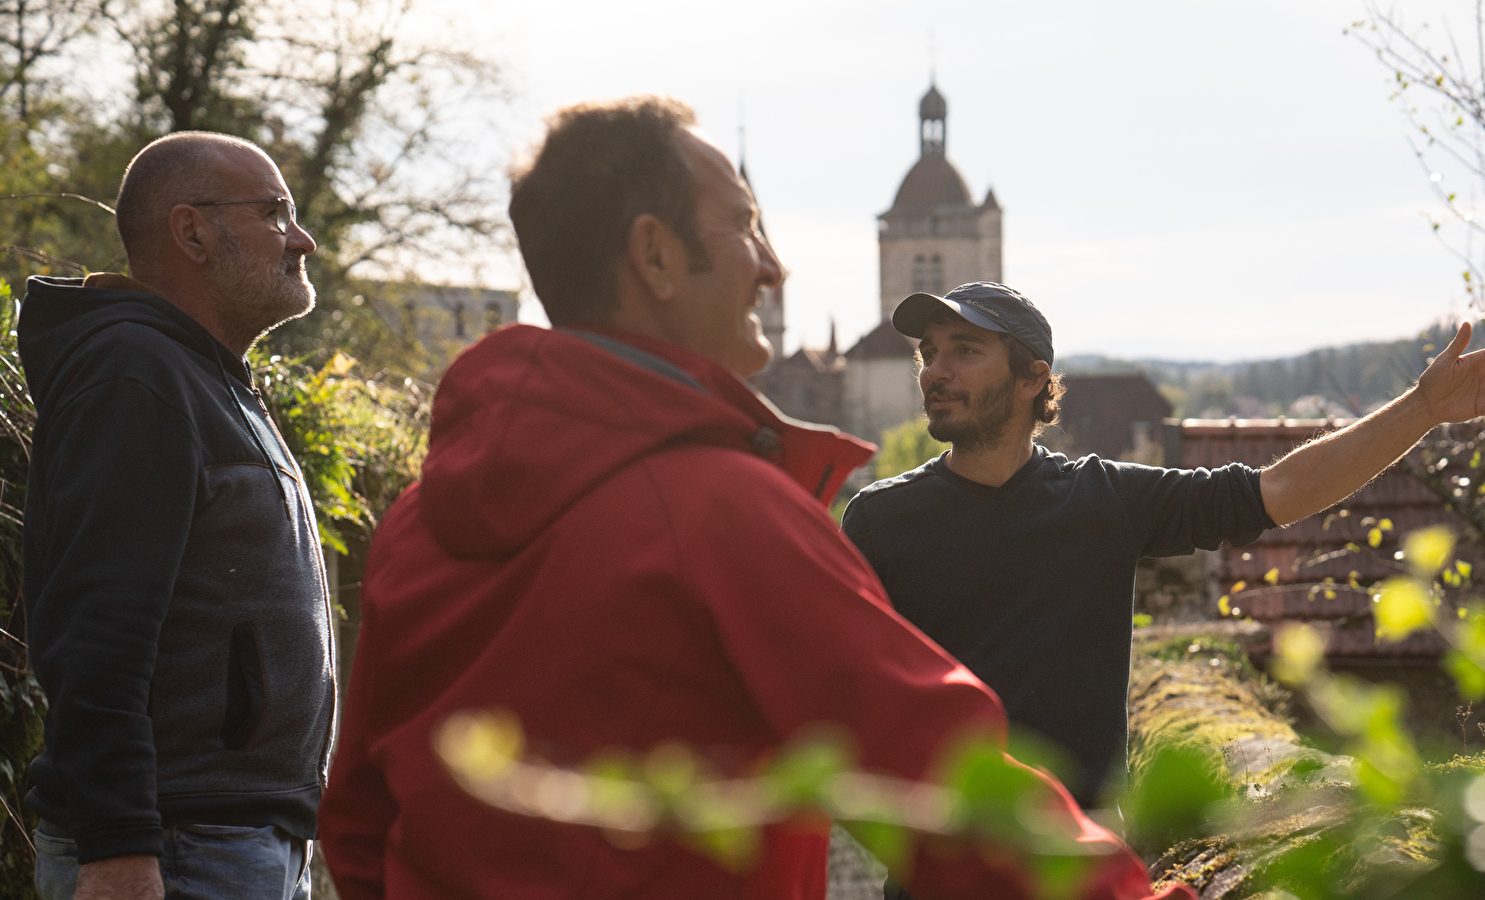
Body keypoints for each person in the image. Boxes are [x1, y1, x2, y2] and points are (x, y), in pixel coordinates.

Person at [317, 97, 1189, 900]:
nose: (773, 266)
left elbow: (358, 822)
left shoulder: (417, 520)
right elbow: (941, 783)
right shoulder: (718, 512)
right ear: (655, 257)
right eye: (743, 226)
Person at [842, 281, 1485, 812]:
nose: (934, 370)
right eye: (929, 352)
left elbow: (1277, 491)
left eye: (964, 351)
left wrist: (1423, 408)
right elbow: (839, 698)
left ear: (1031, 379)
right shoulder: (879, 520)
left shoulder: (1102, 501)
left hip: (1079, 864)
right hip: (940, 860)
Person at [21, 132, 335, 900]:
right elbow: (96, 631)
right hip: (176, 849)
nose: (303, 239)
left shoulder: (206, 379)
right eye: (275, 213)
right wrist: (119, 846)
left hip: (227, 845)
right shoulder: (135, 374)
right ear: (192, 232)